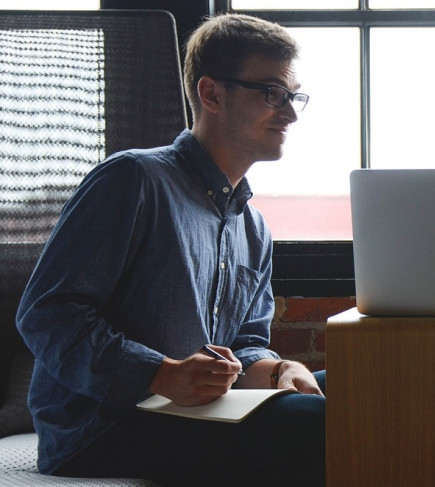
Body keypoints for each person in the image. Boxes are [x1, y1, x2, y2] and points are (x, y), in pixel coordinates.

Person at [16, 13, 325, 486]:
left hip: (202, 413)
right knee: (322, 426)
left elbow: (244, 345)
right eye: (271, 93)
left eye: (293, 95)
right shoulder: (132, 180)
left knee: (363, 392)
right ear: (211, 93)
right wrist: (159, 374)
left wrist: (280, 367)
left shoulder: (252, 227)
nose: (290, 113)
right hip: (105, 429)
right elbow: (47, 313)